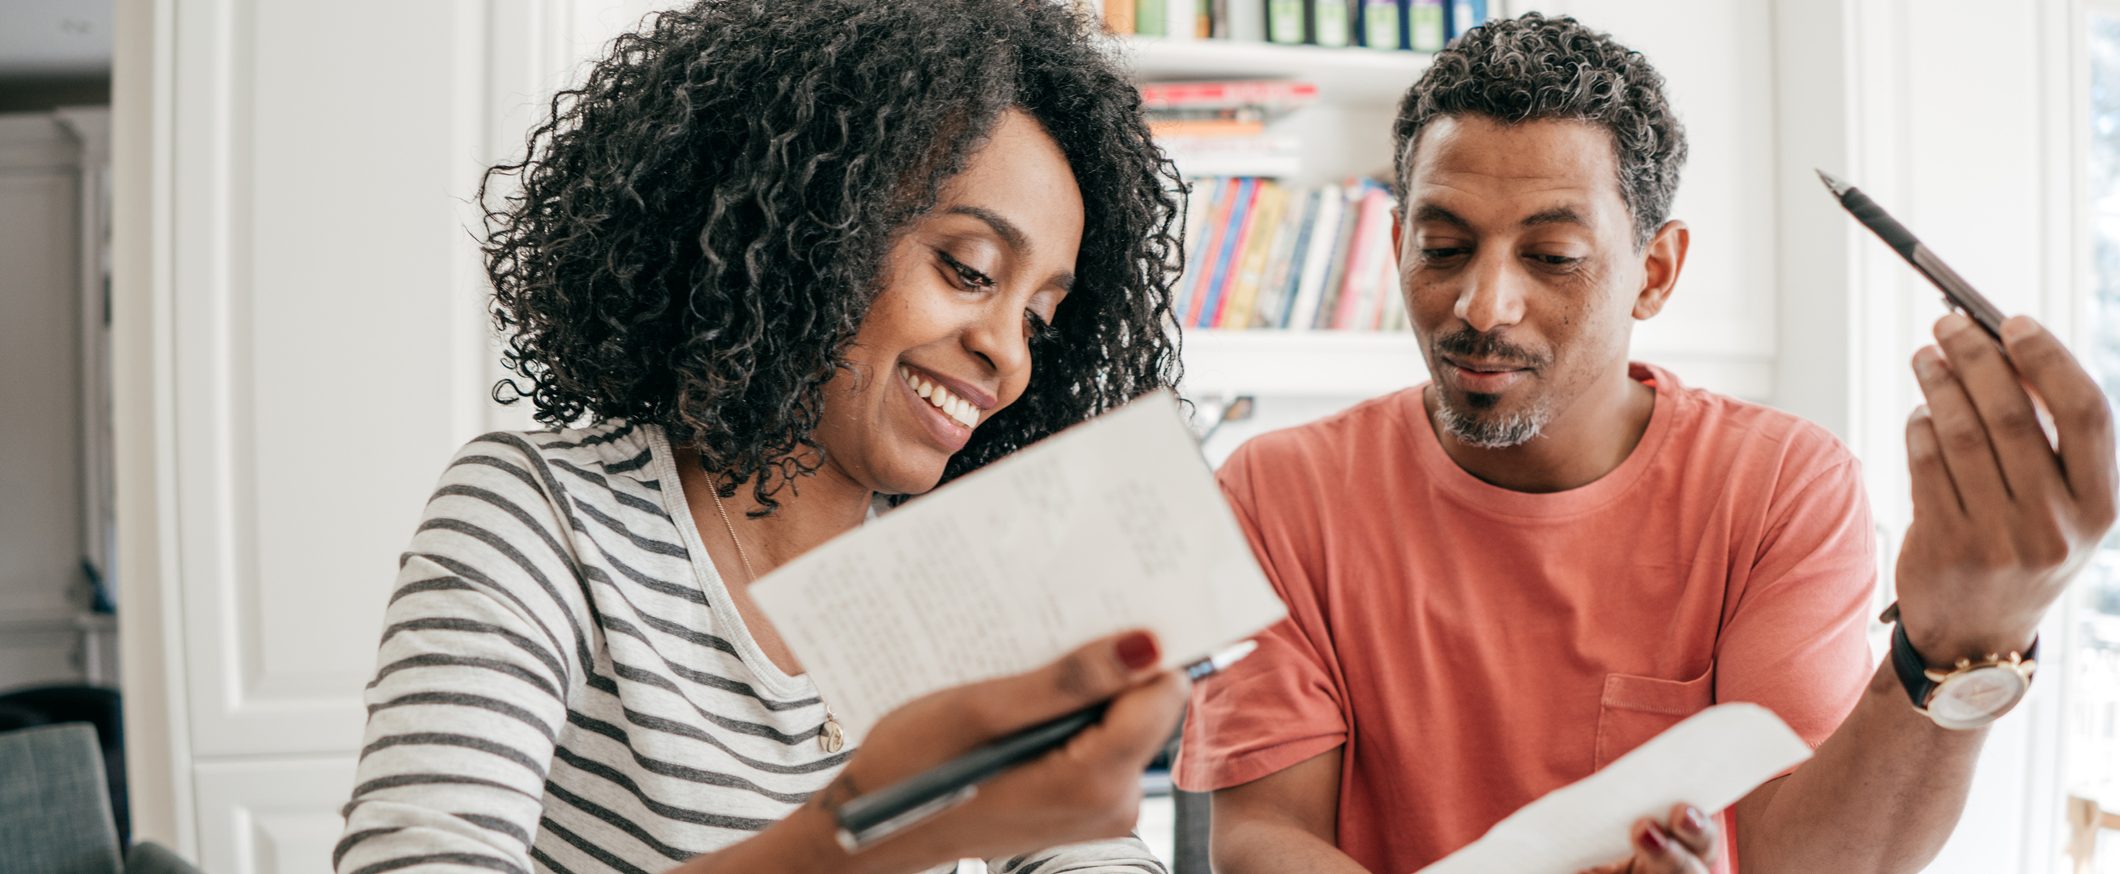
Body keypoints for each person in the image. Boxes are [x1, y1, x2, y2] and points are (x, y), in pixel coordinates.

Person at [1176, 13, 2118, 874]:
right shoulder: (1278, 489)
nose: (1482, 305)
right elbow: (1264, 833)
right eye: (1444, 247)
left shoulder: (1779, 484)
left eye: (1551, 258)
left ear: (1654, 272)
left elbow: (1813, 861)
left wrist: (1959, 638)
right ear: (1396, 246)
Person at [333, 2, 1194, 872]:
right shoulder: (542, 516)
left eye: (1041, 320)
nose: (1008, 355)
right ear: (805, 225)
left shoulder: (965, 566)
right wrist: (862, 831)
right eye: (968, 270)